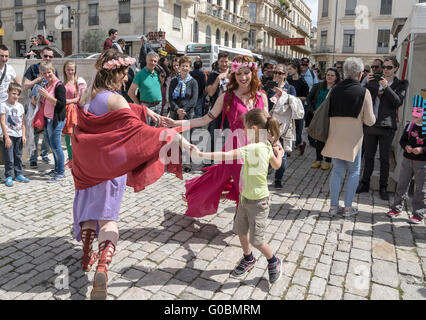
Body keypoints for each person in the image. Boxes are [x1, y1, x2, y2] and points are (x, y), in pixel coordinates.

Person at [71, 49, 190, 300]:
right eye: (124, 74)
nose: (126, 79)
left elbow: (115, 112)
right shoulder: (116, 100)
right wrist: (172, 136)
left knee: (90, 214)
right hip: (111, 169)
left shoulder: (86, 99)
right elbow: (137, 132)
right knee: (109, 219)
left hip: (87, 169)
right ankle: (102, 265)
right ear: (114, 74)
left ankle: (86, 256)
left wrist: (146, 111)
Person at [165, 55, 269, 219]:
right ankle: (241, 223)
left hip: (256, 149)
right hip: (236, 147)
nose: (243, 77)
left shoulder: (261, 96)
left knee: (253, 188)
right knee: (242, 187)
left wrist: (273, 144)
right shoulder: (227, 96)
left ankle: (242, 221)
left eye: (246, 72)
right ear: (233, 74)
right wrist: (177, 123)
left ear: (253, 73)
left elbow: (265, 125)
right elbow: (205, 119)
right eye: (239, 73)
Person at [190, 109, 283, 283]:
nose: (243, 132)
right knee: (241, 231)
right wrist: (280, 153)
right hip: (244, 199)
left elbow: (225, 156)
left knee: (257, 240)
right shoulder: (265, 145)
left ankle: (273, 261)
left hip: (259, 203)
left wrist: (201, 154)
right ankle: (248, 258)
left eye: (245, 128)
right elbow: (277, 165)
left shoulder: (252, 148)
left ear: (254, 129)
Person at [322, 57, 376, 217]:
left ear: (344, 73)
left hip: (335, 136)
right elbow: (370, 121)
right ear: (360, 75)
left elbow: (326, 110)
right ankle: (347, 208)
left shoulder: (334, 90)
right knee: (353, 172)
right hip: (353, 139)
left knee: (337, 171)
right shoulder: (364, 92)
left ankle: (333, 207)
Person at [356, 56, 409, 200]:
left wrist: (386, 87)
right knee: (368, 156)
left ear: (396, 68)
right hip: (371, 124)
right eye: (384, 67)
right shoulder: (373, 81)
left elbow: (397, 102)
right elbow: (362, 98)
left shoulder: (401, 84)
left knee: (385, 159)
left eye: (389, 67)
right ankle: (364, 183)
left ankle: (383, 187)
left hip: (387, 126)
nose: (385, 70)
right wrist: (364, 84)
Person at [387, 105, 426, 224]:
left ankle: (418, 214)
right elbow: (402, 140)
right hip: (407, 160)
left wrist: (421, 150)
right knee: (402, 184)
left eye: (418, 114)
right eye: (414, 113)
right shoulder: (410, 126)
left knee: (420, 188)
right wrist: (406, 147)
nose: (415, 116)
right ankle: (396, 207)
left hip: (422, 162)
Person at [269, 67, 304, 188]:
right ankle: (264, 173)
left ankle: (278, 179)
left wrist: (282, 94)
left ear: (285, 75)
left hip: (284, 125)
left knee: (281, 153)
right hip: (268, 123)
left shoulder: (290, 88)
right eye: (275, 72)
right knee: (265, 150)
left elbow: (294, 105)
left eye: (280, 73)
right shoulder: (268, 87)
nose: (277, 75)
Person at [23, 46, 58, 168]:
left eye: (50, 56)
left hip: (47, 105)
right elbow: (25, 86)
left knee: (48, 132)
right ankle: (33, 158)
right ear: (41, 56)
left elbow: (57, 85)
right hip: (34, 105)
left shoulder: (53, 70)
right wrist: (37, 79)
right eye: (45, 56)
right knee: (35, 131)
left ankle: (44, 154)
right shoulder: (33, 68)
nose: (48, 58)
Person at [38, 61, 67, 182]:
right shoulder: (47, 85)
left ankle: (60, 172)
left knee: (56, 147)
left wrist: (47, 96)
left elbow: (61, 104)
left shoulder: (59, 85)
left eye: (49, 72)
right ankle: (56, 169)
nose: (47, 75)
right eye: (44, 73)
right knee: (53, 146)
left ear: (53, 71)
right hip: (48, 119)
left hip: (57, 120)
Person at [307, 67, 341, 170]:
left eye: (332, 75)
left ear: (336, 78)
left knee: (330, 139)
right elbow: (309, 98)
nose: (329, 77)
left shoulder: (337, 89)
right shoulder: (318, 86)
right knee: (319, 139)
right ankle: (318, 160)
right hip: (317, 116)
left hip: (331, 117)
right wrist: (312, 110)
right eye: (328, 75)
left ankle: (328, 161)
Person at [0, 83, 30, 186]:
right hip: (10, 135)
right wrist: (7, 137)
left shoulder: (20, 106)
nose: (16, 96)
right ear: (8, 92)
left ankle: (18, 174)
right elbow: (3, 122)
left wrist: (24, 135)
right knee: (9, 157)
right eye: (13, 93)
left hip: (19, 135)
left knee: (18, 155)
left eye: (17, 94)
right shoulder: (4, 105)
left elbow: (23, 122)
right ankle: (8, 175)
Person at [62, 60, 87, 169]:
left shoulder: (79, 82)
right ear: (65, 70)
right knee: (68, 136)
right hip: (65, 112)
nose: (70, 71)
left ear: (75, 70)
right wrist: (72, 100)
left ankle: (79, 159)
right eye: (68, 69)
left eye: (72, 69)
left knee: (77, 136)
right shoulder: (62, 82)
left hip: (76, 112)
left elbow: (82, 98)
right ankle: (71, 159)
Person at [128, 51, 163, 125]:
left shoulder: (158, 73)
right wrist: (139, 105)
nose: (153, 63)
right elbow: (130, 92)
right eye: (151, 60)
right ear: (147, 60)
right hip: (147, 107)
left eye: (155, 61)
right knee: (147, 130)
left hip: (158, 106)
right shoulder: (140, 74)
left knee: (156, 131)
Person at [206, 52, 230, 153]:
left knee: (228, 136)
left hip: (229, 109)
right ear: (218, 62)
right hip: (216, 109)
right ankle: (209, 160)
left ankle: (225, 161)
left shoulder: (234, 75)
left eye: (226, 61)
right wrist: (218, 79)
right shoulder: (213, 75)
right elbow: (210, 93)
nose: (224, 64)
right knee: (213, 134)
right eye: (222, 61)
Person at [287, 61, 309, 156]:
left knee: (298, 130)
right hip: (288, 108)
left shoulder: (303, 82)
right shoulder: (288, 80)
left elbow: (306, 97)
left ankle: (300, 144)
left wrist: (295, 98)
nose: (288, 71)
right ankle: (287, 149)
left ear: (296, 69)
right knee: (288, 128)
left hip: (298, 108)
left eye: (290, 69)